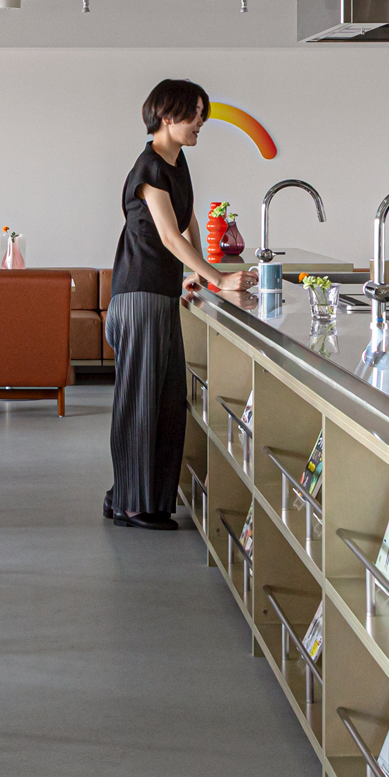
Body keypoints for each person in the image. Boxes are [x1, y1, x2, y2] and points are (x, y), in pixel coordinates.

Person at [104, 80, 253, 532]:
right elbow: (168, 236)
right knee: (141, 403)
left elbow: (186, 219)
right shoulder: (149, 167)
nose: (200, 123)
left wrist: (198, 272)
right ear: (167, 116)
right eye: (195, 114)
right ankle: (133, 505)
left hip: (159, 293)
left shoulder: (176, 162)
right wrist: (218, 278)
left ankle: (130, 496)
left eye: (202, 114)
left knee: (166, 401)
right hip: (139, 295)